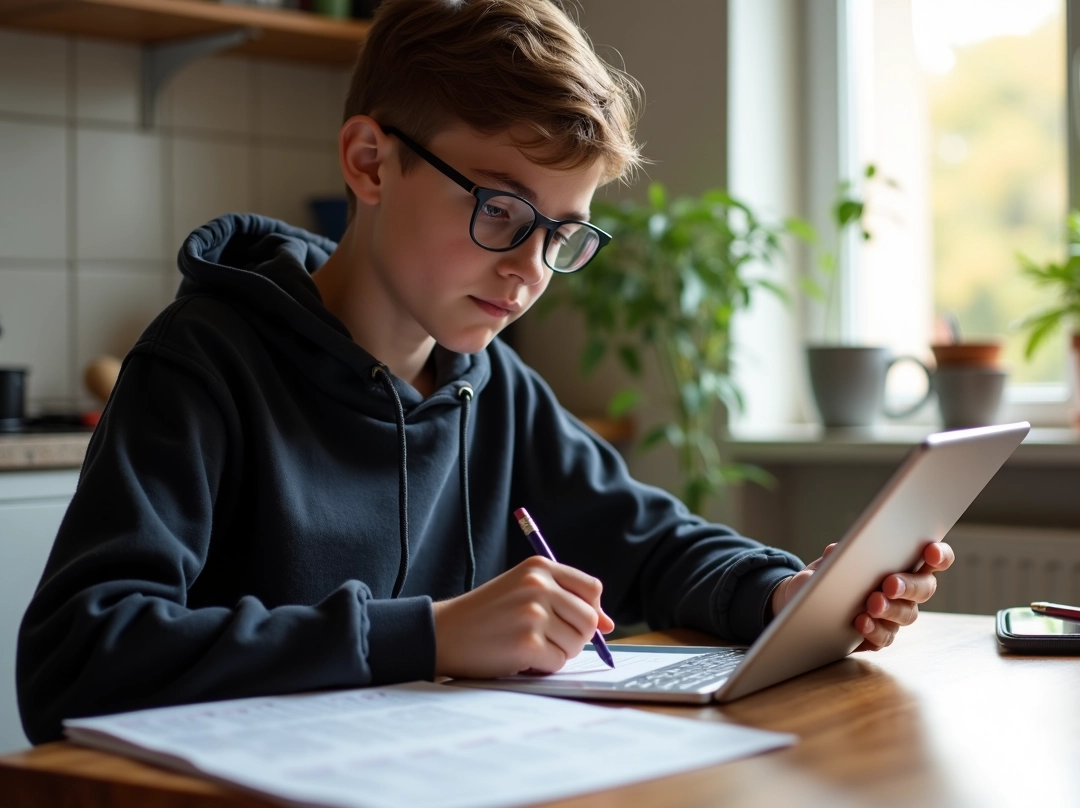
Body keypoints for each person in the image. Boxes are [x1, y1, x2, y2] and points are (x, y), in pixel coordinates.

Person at [16, 0, 953, 747]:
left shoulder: (484, 380)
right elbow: (76, 657)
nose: (530, 268)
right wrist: (429, 632)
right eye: (502, 210)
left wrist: (783, 595)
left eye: (560, 232)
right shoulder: (204, 362)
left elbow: (652, 545)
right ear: (370, 162)